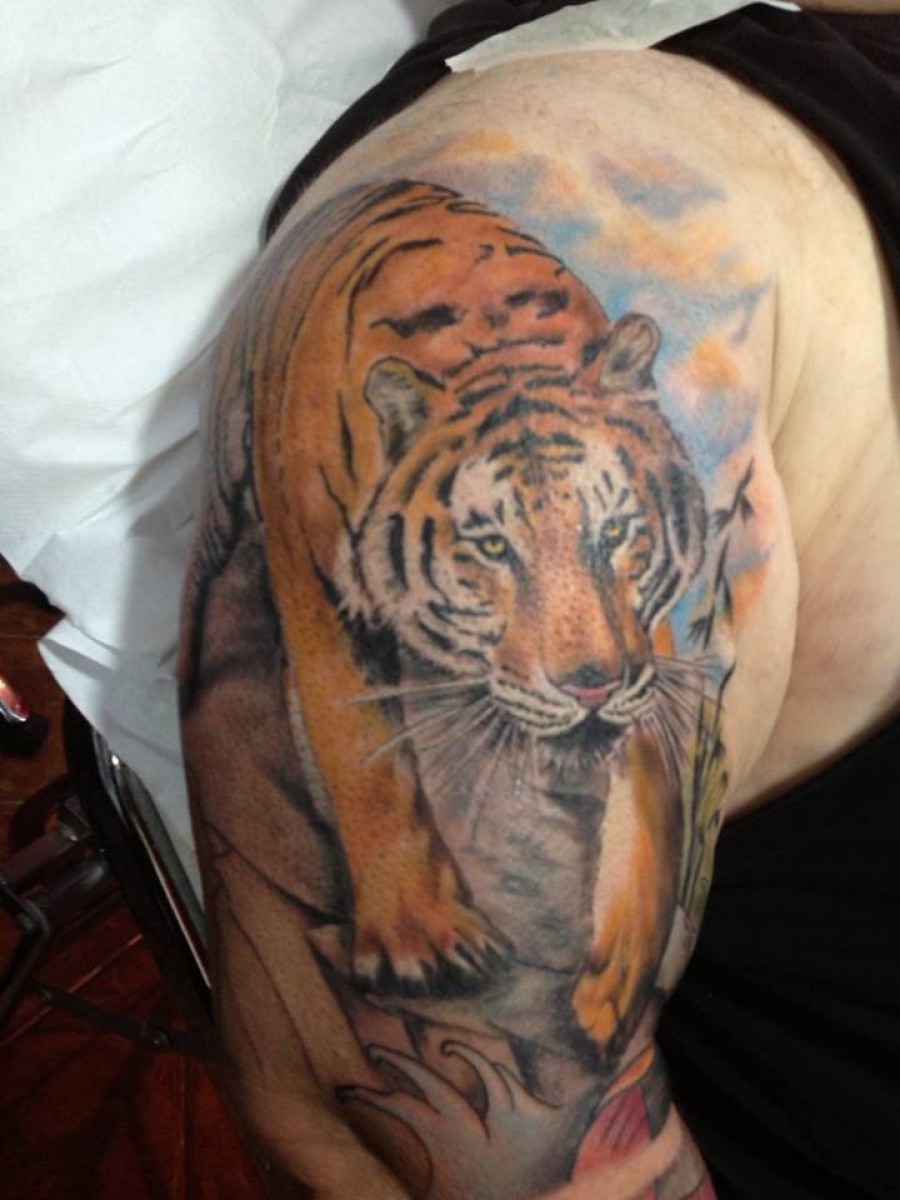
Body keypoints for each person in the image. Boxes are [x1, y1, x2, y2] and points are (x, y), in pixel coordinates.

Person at [179, 3, 900, 1196]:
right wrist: (397, 864)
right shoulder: (566, 170)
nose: (591, 654)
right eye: (490, 553)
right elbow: (426, 1138)